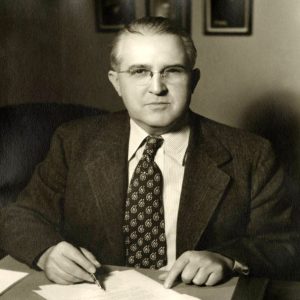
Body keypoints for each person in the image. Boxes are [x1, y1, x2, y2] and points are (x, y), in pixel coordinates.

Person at [0, 17, 297, 288]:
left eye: (172, 71)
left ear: (193, 81)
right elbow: (19, 216)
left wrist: (228, 259)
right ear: (116, 82)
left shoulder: (251, 154)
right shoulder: (75, 141)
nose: (157, 88)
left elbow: (286, 244)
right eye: (140, 71)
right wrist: (47, 252)